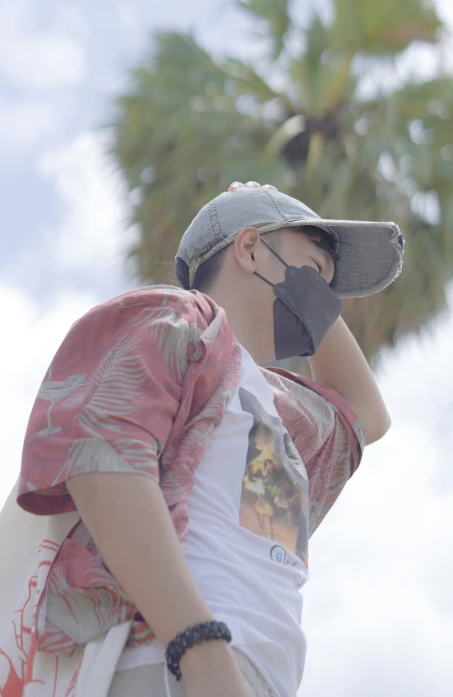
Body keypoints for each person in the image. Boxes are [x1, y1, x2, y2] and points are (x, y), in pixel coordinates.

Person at [2, 181, 404, 697]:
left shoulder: (282, 409)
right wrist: (199, 646)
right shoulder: (175, 318)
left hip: (254, 678)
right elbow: (103, 463)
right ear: (250, 248)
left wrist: (307, 284)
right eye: (316, 273)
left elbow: (369, 415)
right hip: (166, 660)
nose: (324, 300)